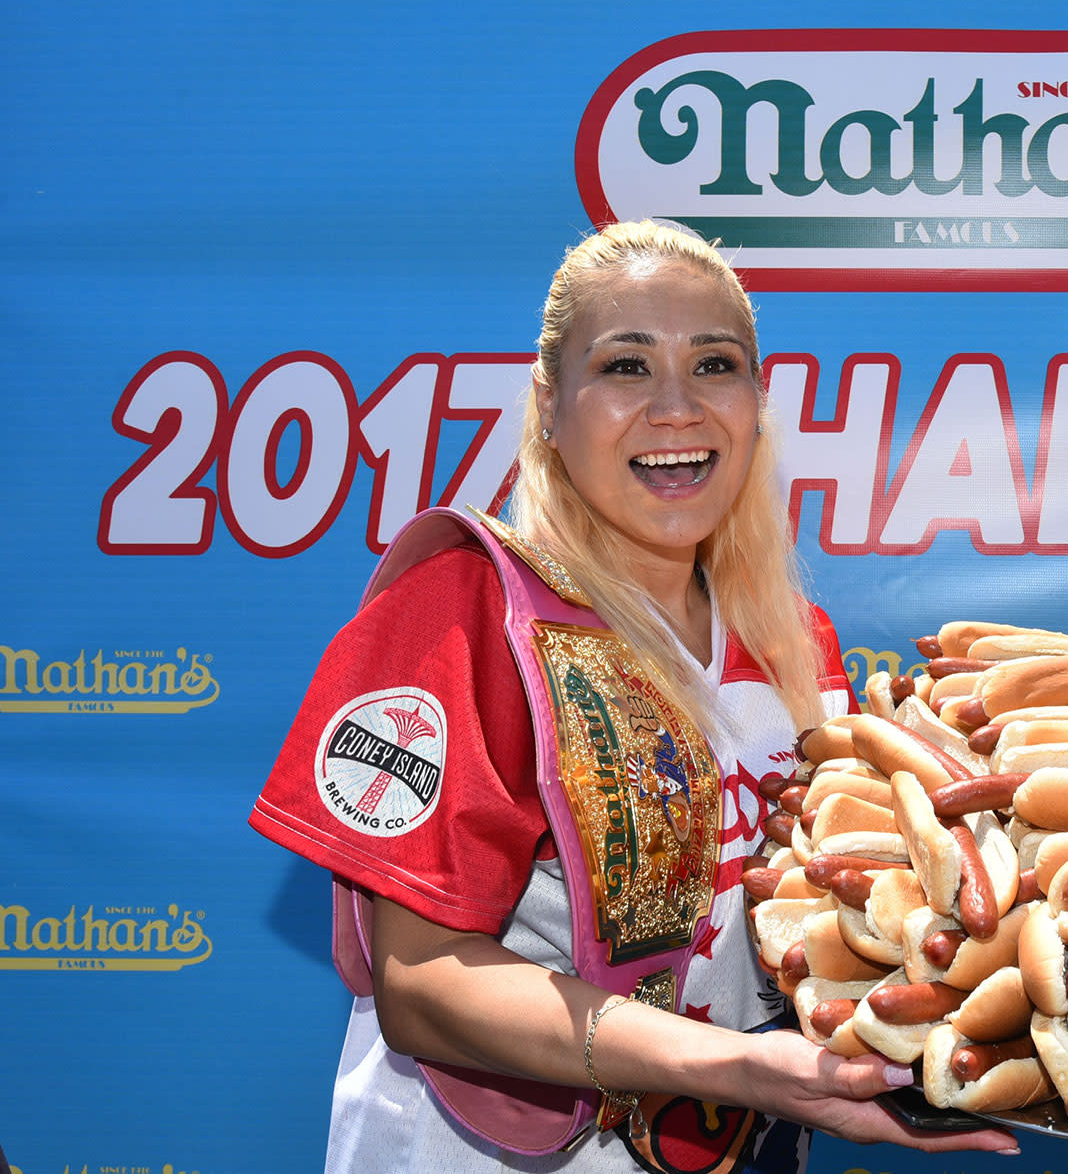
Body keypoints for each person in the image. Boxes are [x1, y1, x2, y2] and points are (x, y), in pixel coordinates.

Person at [251, 221, 1017, 1171]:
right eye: (624, 366)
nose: (676, 407)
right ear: (549, 405)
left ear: (757, 400)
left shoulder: (793, 644)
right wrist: (734, 1066)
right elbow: (422, 983)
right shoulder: (467, 607)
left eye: (715, 364)